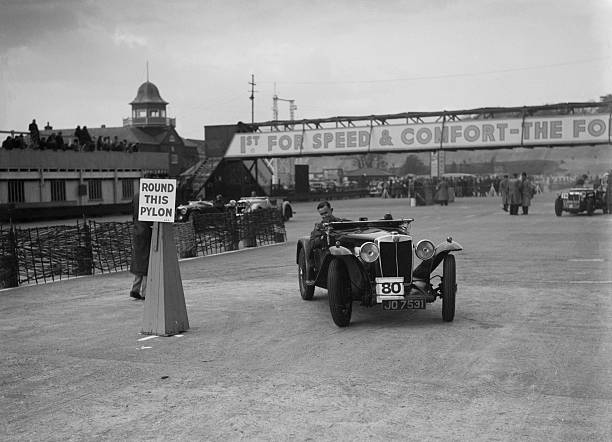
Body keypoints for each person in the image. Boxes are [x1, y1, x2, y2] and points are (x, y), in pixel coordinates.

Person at [129, 191, 152, 300]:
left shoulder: (136, 195)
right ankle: (145, 292)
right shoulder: (149, 195)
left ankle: (135, 288)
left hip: (137, 229)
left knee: (139, 260)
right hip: (146, 230)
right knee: (147, 260)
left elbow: (132, 211)